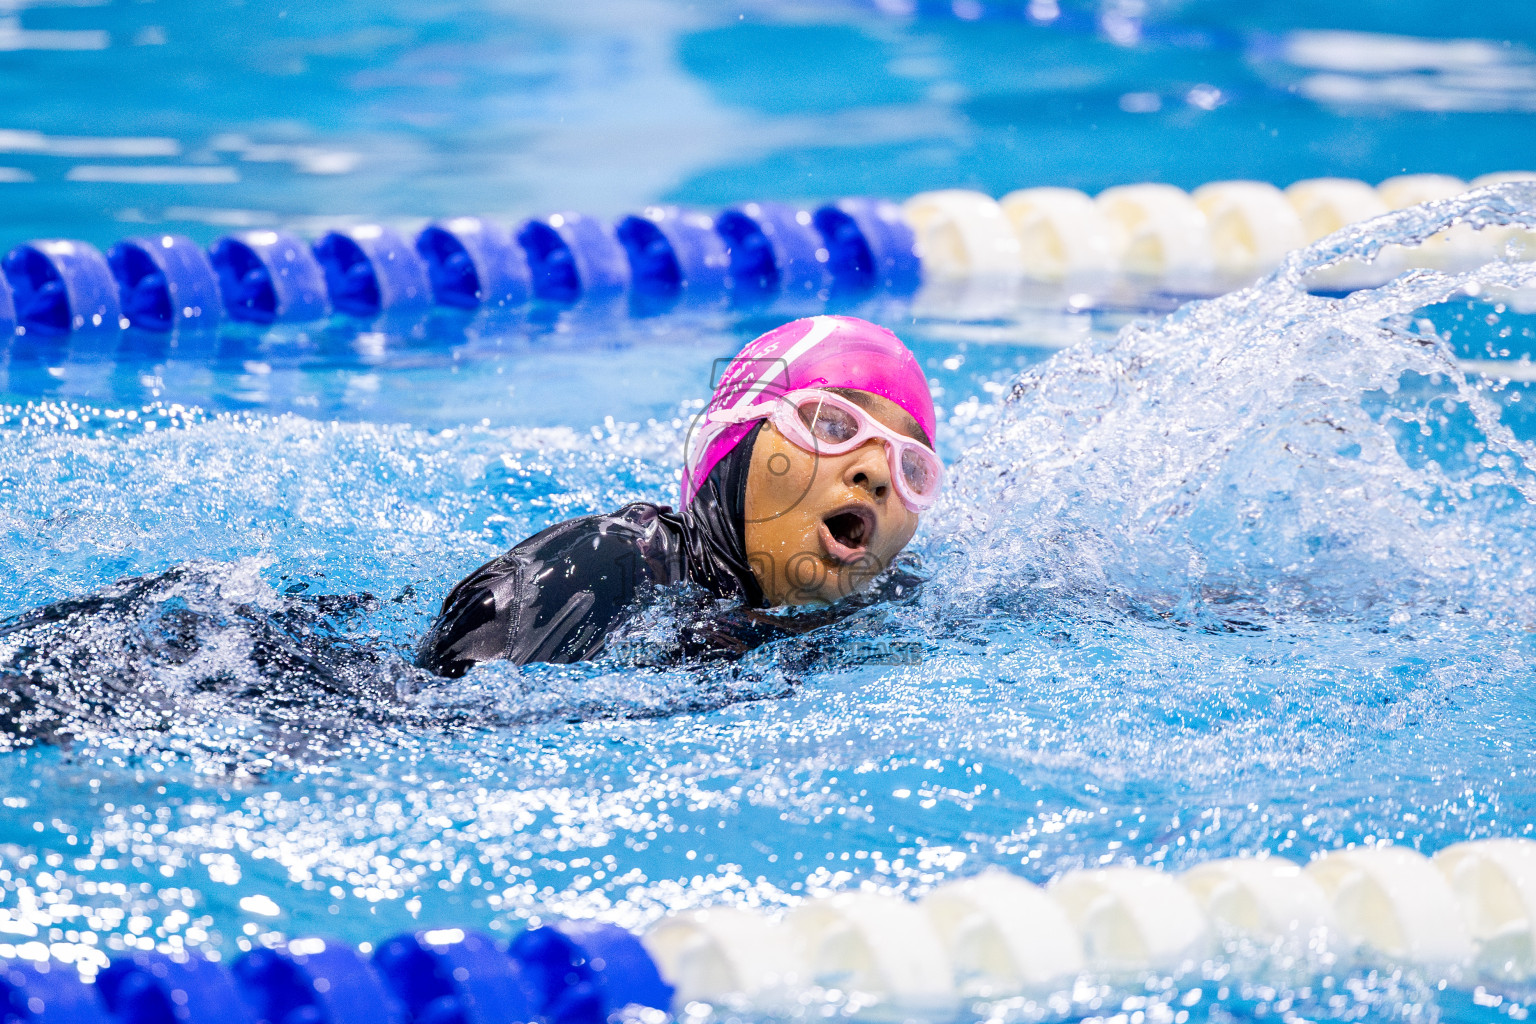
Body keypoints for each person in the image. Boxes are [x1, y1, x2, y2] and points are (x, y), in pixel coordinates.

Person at [414, 315, 943, 676]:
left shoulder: (888, 607)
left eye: (911, 465)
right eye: (832, 424)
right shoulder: (608, 569)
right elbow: (429, 712)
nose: (877, 472)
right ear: (738, 439)